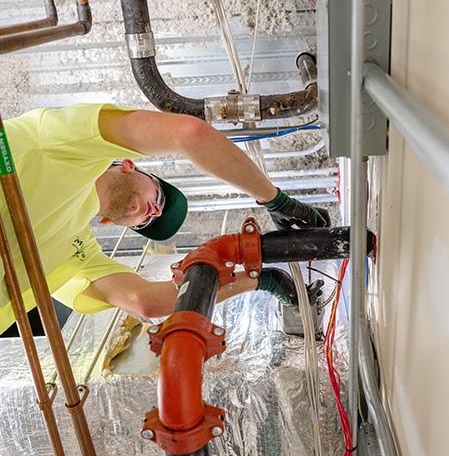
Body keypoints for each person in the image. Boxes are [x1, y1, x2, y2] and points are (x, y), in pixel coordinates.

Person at [0, 103, 329, 337]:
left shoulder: (78, 254)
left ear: (109, 224)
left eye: (146, 222)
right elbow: (188, 132)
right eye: (158, 197)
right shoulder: (57, 140)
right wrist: (277, 200)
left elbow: (147, 302)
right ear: (131, 166)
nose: (153, 211)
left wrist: (261, 281)